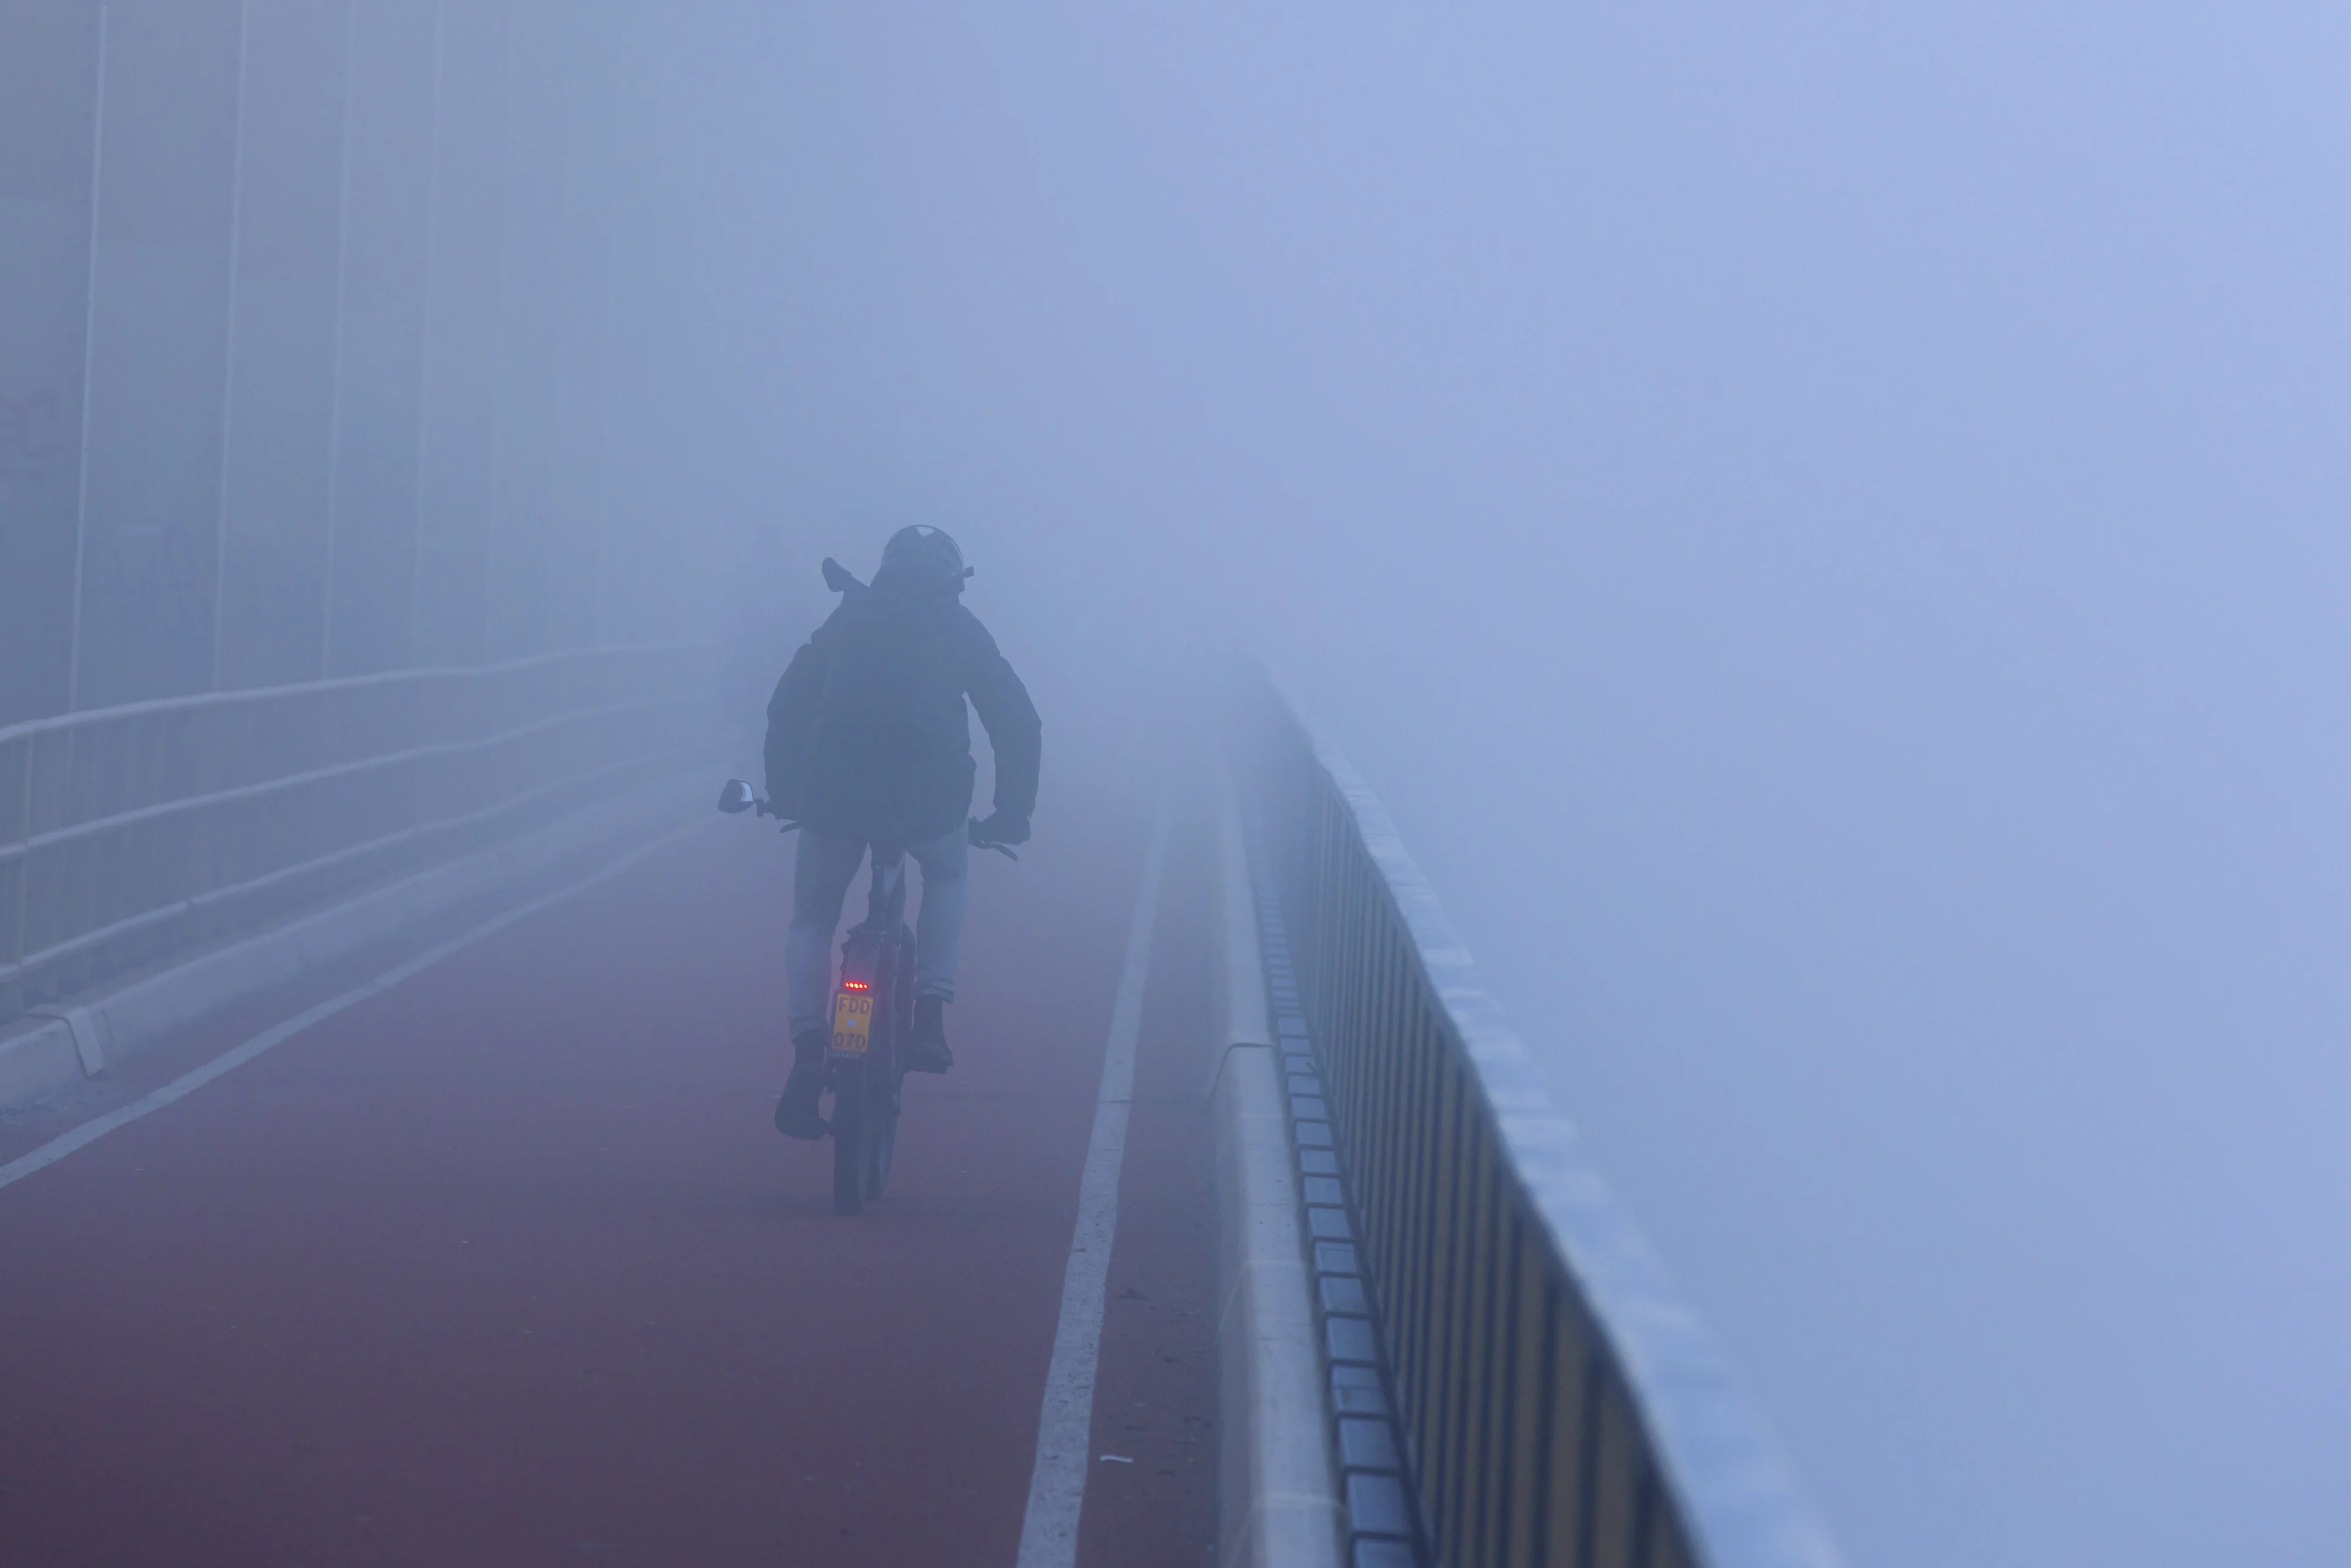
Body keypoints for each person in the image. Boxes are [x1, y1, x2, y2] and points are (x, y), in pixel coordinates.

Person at [762, 525, 1041, 1139]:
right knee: (946, 872)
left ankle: (809, 1045)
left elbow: (787, 705)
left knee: (812, 916)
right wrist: (1012, 812)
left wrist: (787, 793)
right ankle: (931, 1015)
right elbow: (1016, 720)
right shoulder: (959, 627)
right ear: (952, 578)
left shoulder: (849, 615)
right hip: (928, 799)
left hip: (835, 790)